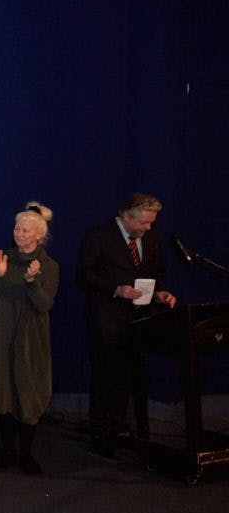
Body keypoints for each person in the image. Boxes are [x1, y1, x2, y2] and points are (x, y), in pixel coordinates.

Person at [75, 192, 176, 458]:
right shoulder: (98, 236)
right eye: (143, 222)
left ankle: (120, 428)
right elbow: (83, 275)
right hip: (106, 319)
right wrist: (116, 289)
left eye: (151, 222)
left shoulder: (151, 238)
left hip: (138, 319)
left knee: (127, 376)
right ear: (126, 216)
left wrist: (161, 293)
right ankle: (101, 433)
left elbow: (158, 272)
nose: (148, 227)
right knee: (105, 376)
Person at [0, 202, 59, 475]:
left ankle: (26, 453)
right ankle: (7, 450)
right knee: (2, 389)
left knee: (27, 391)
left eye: (25, 230)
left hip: (29, 339)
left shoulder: (48, 266)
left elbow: (45, 304)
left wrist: (32, 281)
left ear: (39, 235)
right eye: (16, 229)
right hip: (0, 334)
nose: (18, 234)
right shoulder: (3, 259)